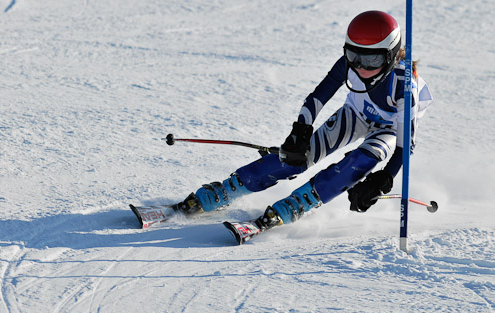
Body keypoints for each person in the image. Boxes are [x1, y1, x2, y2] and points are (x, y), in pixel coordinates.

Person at [175, 10, 433, 231]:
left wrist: (383, 179)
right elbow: (318, 97)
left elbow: (403, 146)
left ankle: (298, 203)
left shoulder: (404, 86)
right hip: (356, 115)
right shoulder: (348, 64)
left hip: (389, 129)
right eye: (354, 56)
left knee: (360, 160)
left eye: (372, 59)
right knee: (297, 156)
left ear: (389, 55)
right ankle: (228, 189)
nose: (361, 67)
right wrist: (299, 131)